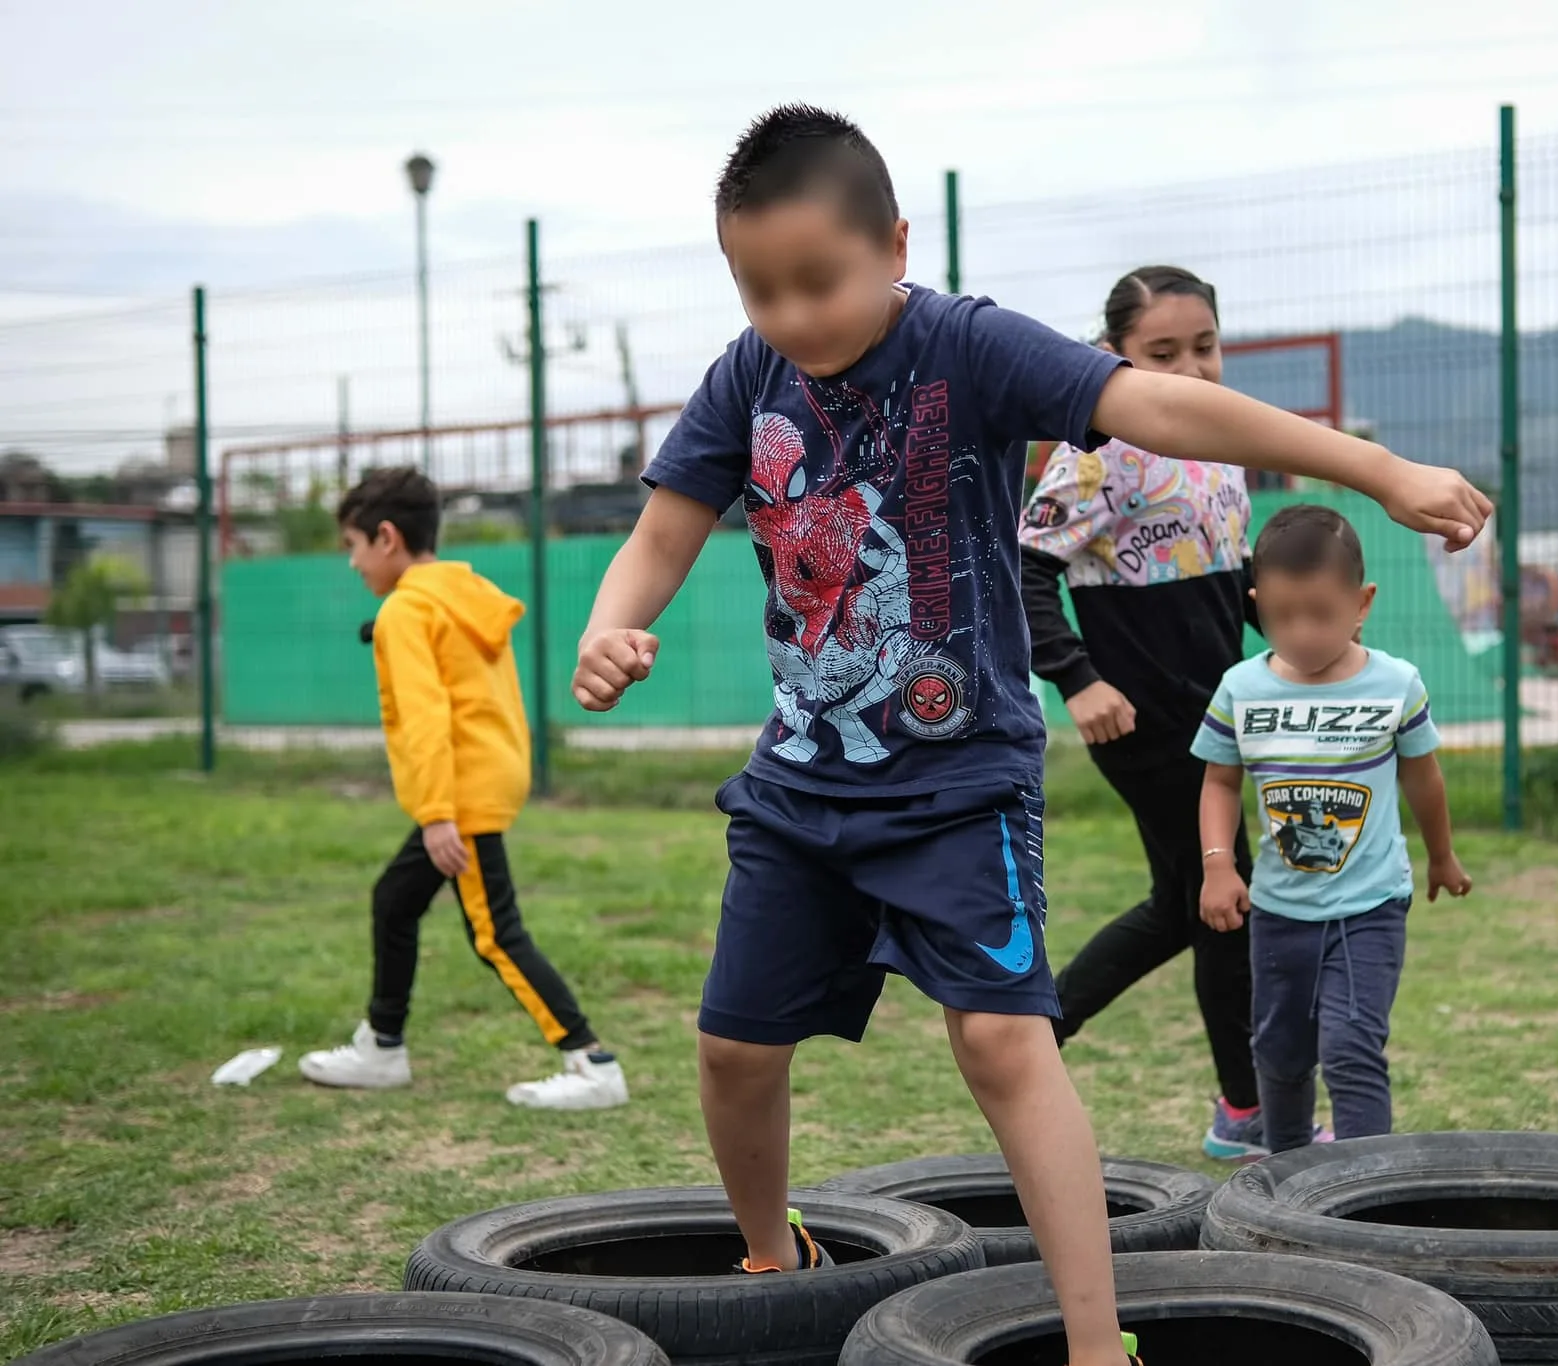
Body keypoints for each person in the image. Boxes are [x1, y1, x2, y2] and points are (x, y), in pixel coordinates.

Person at [571, 105, 1490, 1366]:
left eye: (815, 282)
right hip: (802, 782)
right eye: (756, 287)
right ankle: (772, 1270)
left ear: (892, 244)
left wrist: (1373, 474)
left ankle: (1094, 1340)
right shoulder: (750, 374)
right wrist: (609, 626)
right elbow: (666, 529)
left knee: (1004, 1039)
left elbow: (1160, 408)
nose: (787, 315)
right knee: (733, 1049)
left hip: (958, 784)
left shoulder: (967, 346)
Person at [1020, 265, 1322, 1162]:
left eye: (1204, 347)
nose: (1190, 370)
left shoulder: (1224, 446)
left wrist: (1301, 658)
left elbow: (1233, 587)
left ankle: (1036, 1037)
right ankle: (1243, 1111)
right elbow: (1023, 572)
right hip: (1141, 725)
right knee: (1222, 905)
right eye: (1162, 353)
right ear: (1114, 356)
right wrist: (1077, 680)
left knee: (1190, 904)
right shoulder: (1093, 456)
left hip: (1218, 716)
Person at [299, 466, 628, 1112]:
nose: (352, 563)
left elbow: (425, 721)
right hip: (488, 777)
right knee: (395, 899)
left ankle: (592, 1062)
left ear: (386, 537)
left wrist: (437, 814)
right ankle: (383, 1044)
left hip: (458, 796)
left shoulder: (406, 611)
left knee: (495, 933)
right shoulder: (463, 594)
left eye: (353, 547)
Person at [1194, 505, 1471, 1151]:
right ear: (1257, 603)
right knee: (1282, 1053)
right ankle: (1288, 1178)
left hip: (1369, 906)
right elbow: (1220, 781)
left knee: (1351, 1049)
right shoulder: (1241, 689)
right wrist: (1217, 863)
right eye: (1281, 616)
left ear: (1362, 601)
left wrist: (1442, 856)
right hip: (1278, 912)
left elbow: (1423, 778)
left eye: (1320, 614)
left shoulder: (1396, 685)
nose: (1301, 633)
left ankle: (1365, 1189)